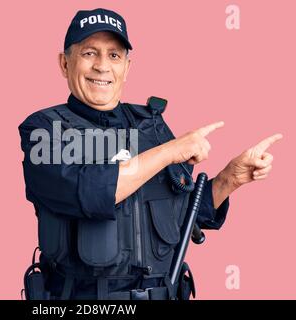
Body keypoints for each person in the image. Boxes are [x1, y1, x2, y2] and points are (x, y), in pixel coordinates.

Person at [19, 8, 282, 300]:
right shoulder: (43, 130)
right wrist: (170, 151)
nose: (102, 66)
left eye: (114, 55)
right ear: (64, 63)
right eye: (89, 53)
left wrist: (230, 179)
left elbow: (184, 215)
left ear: (127, 68)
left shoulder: (151, 126)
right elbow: (90, 192)